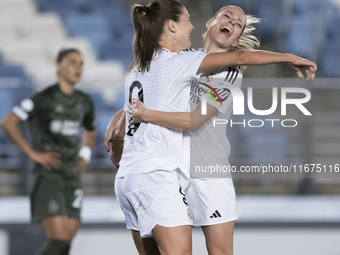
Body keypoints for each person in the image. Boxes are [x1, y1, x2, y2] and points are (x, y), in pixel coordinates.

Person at [105, 1, 316, 254]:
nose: (232, 24)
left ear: (237, 38)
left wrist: (144, 114)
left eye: (239, 25)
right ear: (210, 22)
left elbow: (196, 119)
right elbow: (153, 90)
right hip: (172, 168)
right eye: (227, 17)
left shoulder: (228, 72)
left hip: (206, 172)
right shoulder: (182, 57)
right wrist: (120, 115)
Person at [1, 48, 96, 255]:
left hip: (72, 175)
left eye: (81, 63)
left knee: (67, 241)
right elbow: (9, 123)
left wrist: (86, 152)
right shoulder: (43, 98)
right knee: (60, 240)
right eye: (72, 62)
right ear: (58, 66)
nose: (78, 68)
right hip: (48, 175)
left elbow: (90, 128)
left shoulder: (84, 101)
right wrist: (32, 153)